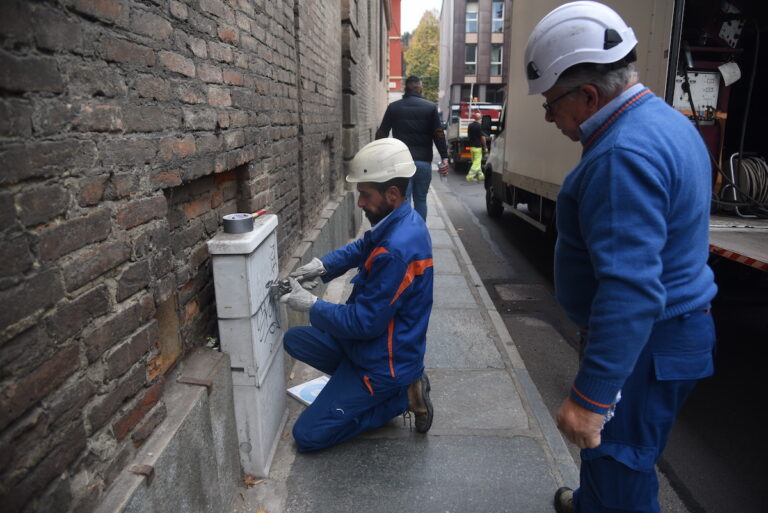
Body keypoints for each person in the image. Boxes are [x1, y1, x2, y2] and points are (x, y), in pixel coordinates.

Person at [523, 2, 718, 512]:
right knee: (618, 460)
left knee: (619, 464)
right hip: (671, 334)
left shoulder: (620, 156)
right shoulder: (666, 123)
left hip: (649, 342)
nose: (550, 117)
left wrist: (591, 399)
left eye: (551, 104)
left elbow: (629, 290)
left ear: (588, 94)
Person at [279, 138, 435, 453]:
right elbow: (362, 246)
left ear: (392, 194)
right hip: (367, 347)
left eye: (365, 195)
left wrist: (312, 305)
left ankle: (400, 397)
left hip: (383, 363)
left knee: (307, 436)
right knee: (294, 339)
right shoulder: (400, 220)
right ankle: (366, 387)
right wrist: (322, 268)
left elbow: (364, 323)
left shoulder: (396, 250)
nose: (360, 202)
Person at [375, 75, 449, 220]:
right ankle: (419, 234)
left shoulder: (394, 107)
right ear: (420, 88)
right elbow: (438, 134)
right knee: (421, 200)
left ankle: (404, 235)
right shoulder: (430, 107)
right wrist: (444, 157)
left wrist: (377, 155)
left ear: (405, 88)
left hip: (402, 163)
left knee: (403, 201)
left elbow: (382, 133)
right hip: (423, 163)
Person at [466, 112, 487, 182]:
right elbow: (483, 137)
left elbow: (468, 135)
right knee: (477, 163)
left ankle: (481, 176)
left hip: (472, 147)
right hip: (478, 147)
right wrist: (485, 147)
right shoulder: (480, 126)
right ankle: (470, 176)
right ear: (480, 118)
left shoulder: (470, 125)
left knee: (475, 162)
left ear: (474, 118)